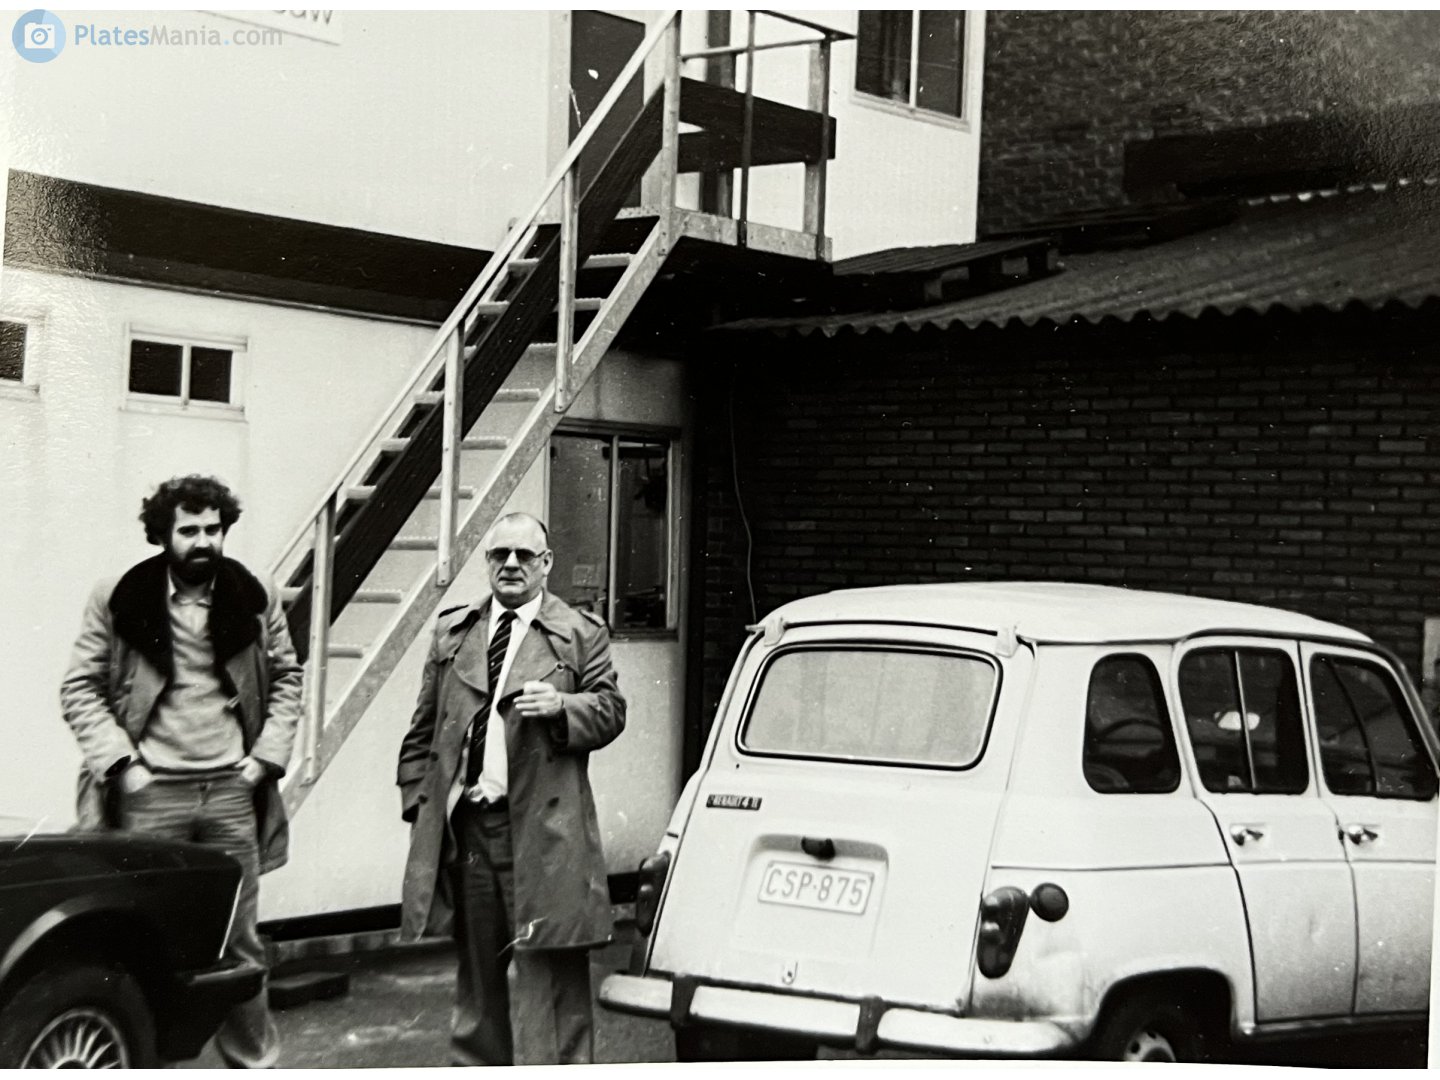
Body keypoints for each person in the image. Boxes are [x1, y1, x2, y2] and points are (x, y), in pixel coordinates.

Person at [60, 474, 301, 1069]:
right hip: (150, 797)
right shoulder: (120, 596)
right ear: (163, 535)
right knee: (144, 938)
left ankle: (252, 1064)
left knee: (239, 939)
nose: (202, 541)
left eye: (213, 529)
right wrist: (122, 765)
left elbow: (289, 678)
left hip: (229, 793)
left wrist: (265, 760)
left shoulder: (254, 593)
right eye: (188, 530)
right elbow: (80, 687)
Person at [397, 511, 626, 1066]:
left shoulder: (579, 633)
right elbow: (422, 731)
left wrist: (563, 706)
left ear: (546, 564)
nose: (512, 565)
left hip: (545, 834)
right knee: (477, 981)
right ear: (487, 564)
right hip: (474, 834)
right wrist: (419, 806)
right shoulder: (456, 632)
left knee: (550, 985)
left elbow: (612, 710)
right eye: (500, 555)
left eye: (525, 555)